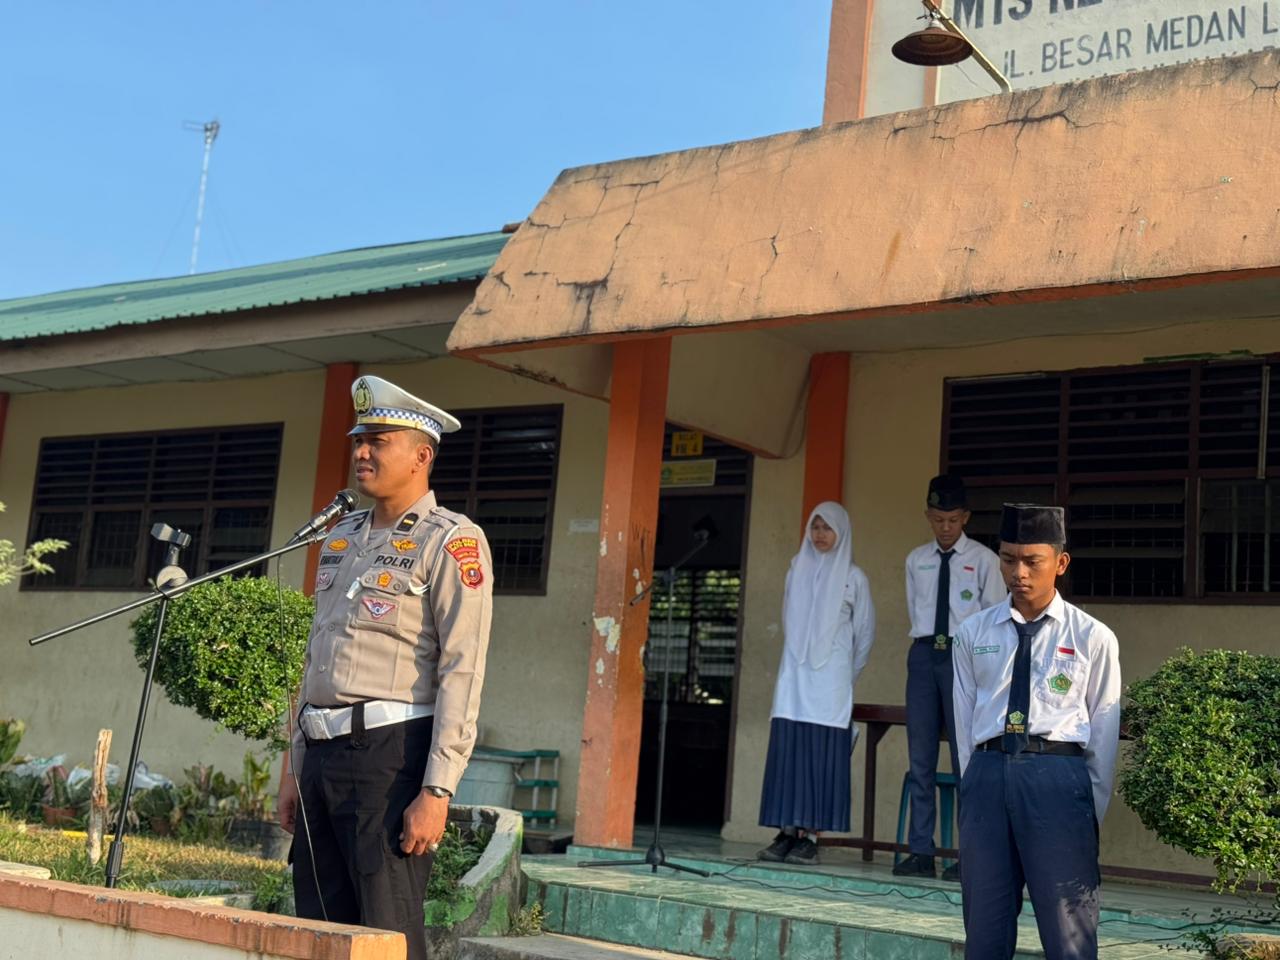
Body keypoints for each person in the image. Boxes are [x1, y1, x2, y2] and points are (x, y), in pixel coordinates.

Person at [278, 374, 493, 960]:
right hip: (320, 753)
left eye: (379, 440)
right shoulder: (341, 536)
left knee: (385, 932)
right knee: (320, 930)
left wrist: (438, 789)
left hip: (388, 760)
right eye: (358, 440)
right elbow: (315, 655)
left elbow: (462, 670)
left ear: (422, 455)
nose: (362, 452)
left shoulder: (450, 542)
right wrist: (293, 768)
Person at [952, 504, 1121, 960]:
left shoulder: (1092, 637)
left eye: (1032, 561)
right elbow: (964, 722)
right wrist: (976, 787)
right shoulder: (972, 632)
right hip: (987, 777)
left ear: (1060, 563)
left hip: (1057, 782)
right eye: (1008, 559)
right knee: (984, 933)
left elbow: (1104, 734)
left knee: (1069, 936)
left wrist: (1085, 811)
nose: (1018, 572)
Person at [895, 474, 1005, 882]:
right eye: (938, 519)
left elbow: (994, 617)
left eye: (953, 520)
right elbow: (915, 611)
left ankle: (968, 853)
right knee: (920, 756)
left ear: (966, 518)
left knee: (966, 759)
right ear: (928, 517)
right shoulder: (916, 559)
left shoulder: (984, 559)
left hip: (964, 657)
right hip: (925, 655)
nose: (945, 528)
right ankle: (920, 851)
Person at [757, 501, 875, 865]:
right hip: (794, 677)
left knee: (819, 755)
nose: (820, 534)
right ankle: (786, 832)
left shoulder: (854, 578)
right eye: (815, 526)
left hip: (831, 681)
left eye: (827, 527)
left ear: (841, 531)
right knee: (790, 750)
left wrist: (843, 676)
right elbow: (789, 619)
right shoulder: (797, 568)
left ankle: (810, 837)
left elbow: (864, 635)